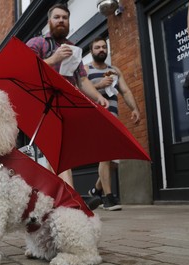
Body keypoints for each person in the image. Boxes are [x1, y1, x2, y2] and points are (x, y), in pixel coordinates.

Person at [26, 3, 109, 189]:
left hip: (65, 106)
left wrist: (98, 97)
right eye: (57, 17)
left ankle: (50, 199)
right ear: (49, 22)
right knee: (58, 152)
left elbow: (82, 80)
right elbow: (26, 69)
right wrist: (54, 59)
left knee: (55, 157)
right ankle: (72, 201)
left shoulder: (74, 49)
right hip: (43, 107)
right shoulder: (37, 43)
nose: (61, 21)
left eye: (65, 18)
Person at [84, 37, 141, 211]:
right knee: (105, 155)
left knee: (114, 162)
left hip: (114, 117)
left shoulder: (114, 70)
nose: (101, 49)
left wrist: (135, 109)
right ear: (91, 51)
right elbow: (79, 92)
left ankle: (96, 191)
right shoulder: (86, 69)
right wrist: (100, 84)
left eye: (103, 47)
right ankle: (108, 199)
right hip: (96, 117)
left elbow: (125, 90)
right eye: (97, 47)